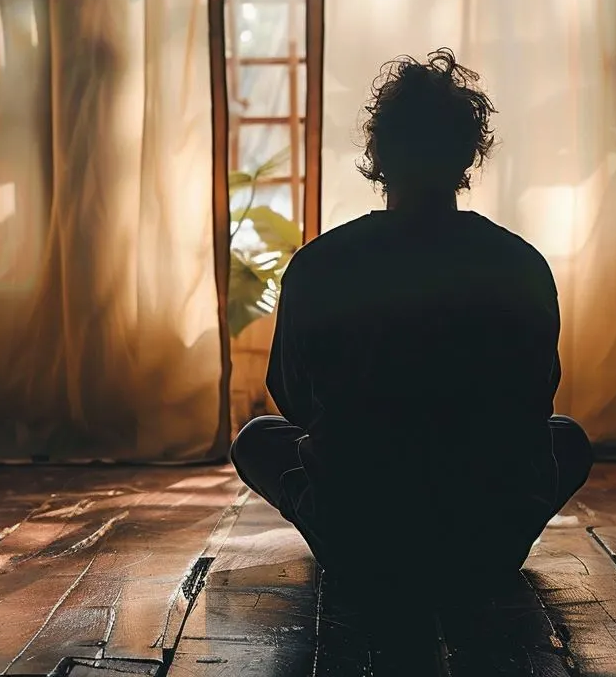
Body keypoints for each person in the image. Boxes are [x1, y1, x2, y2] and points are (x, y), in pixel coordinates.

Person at [230, 48, 593, 592]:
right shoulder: (521, 263)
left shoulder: (320, 264)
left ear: (379, 150)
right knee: (569, 438)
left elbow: (294, 400)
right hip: (487, 538)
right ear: (467, 153)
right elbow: (535, 401)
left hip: (359, 535)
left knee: (257, 438)